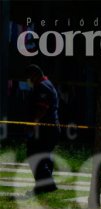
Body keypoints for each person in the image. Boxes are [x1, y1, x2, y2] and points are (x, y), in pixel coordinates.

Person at [24, 64, 60, 195]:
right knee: (44, 157)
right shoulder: (47, 84)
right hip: (49, 128)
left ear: (34, 75)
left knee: (34, 155)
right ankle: (41, 187)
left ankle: (49, 185)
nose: (28, 80)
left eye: (28, 77)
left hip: (44, 129)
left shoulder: (42, 87)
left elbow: (42, 108)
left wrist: (33, 124)